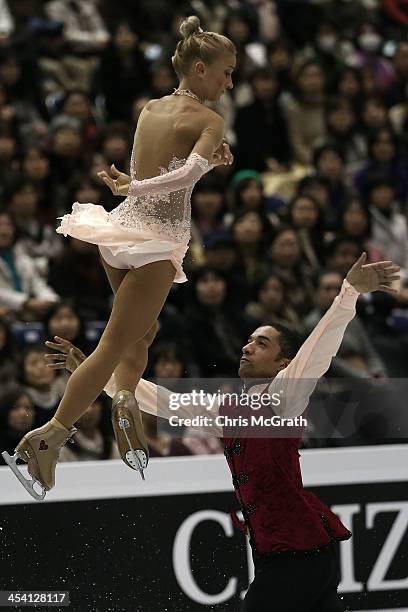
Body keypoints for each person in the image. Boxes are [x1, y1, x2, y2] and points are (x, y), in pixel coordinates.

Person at [43, 253, 400, 611]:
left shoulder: (283, 398)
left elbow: (317, 352)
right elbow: (163, 402)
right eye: (249, 340)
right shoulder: (227, 410)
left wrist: (348, 292)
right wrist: (93, 372)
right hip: (283, 554)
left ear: (284, 364)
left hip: (297, 554)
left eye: (262, 344)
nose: (247, 347)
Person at [2, 15, 235, 497]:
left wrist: (185, 170)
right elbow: (181, 175)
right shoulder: (210, 120)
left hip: (120, 234)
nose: (229, 82)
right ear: (198, 68)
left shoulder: (150, 108)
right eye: (226, 72)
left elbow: (168, 169)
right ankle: (51, 437)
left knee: (140, 332)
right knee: (113, 344)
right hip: (155, 243)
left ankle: (126, 396)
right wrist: (161, 178)